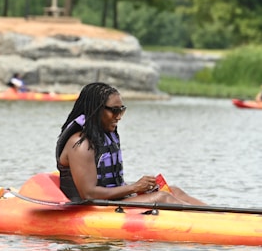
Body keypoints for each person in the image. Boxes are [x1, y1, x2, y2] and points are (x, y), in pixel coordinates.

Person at [55, 82, 206, 205]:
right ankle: (209, 221)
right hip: (89, 207)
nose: (119, 116)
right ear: (96, 110)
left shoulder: (103, 136)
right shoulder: (80, 144)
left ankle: (223, 216)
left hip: (111, 201)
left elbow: (111, 184)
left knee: (173, 191)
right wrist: (134, 187)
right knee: (163, 198)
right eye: (114, 111)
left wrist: (140, 189)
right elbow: (88, 194)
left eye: (122, 110)